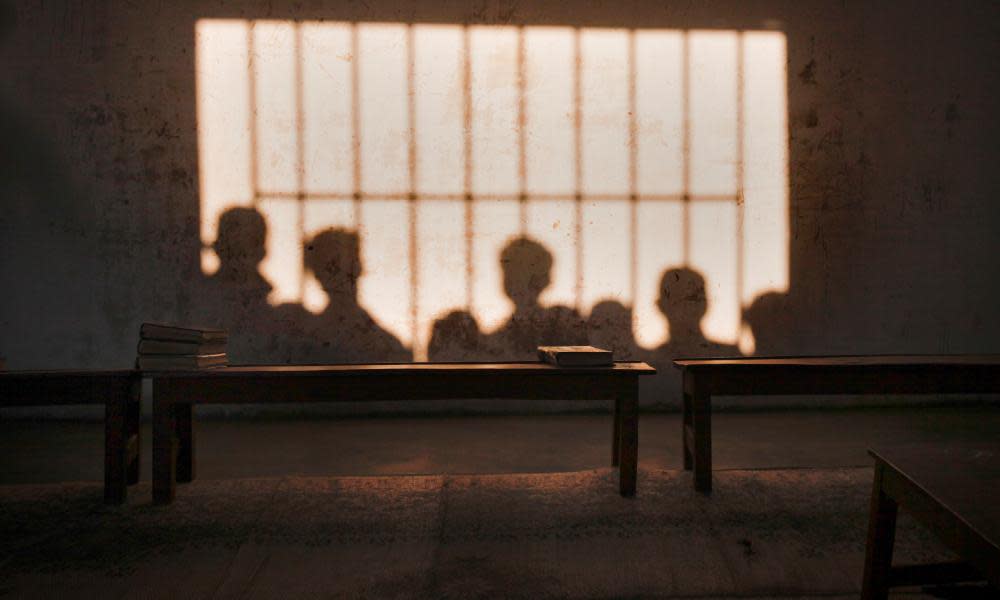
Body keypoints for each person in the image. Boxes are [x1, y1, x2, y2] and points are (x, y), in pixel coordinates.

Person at [299, 228, 411, 363]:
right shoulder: (387, 344)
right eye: (333, 266)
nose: (342, 273)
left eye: (348, 263)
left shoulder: (305, 341)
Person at [485, 236, 587, 360]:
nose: (513, 279)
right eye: (509, 271)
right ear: (547, 279)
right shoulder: (564, 322)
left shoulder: (562, 322)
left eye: (517, 272)